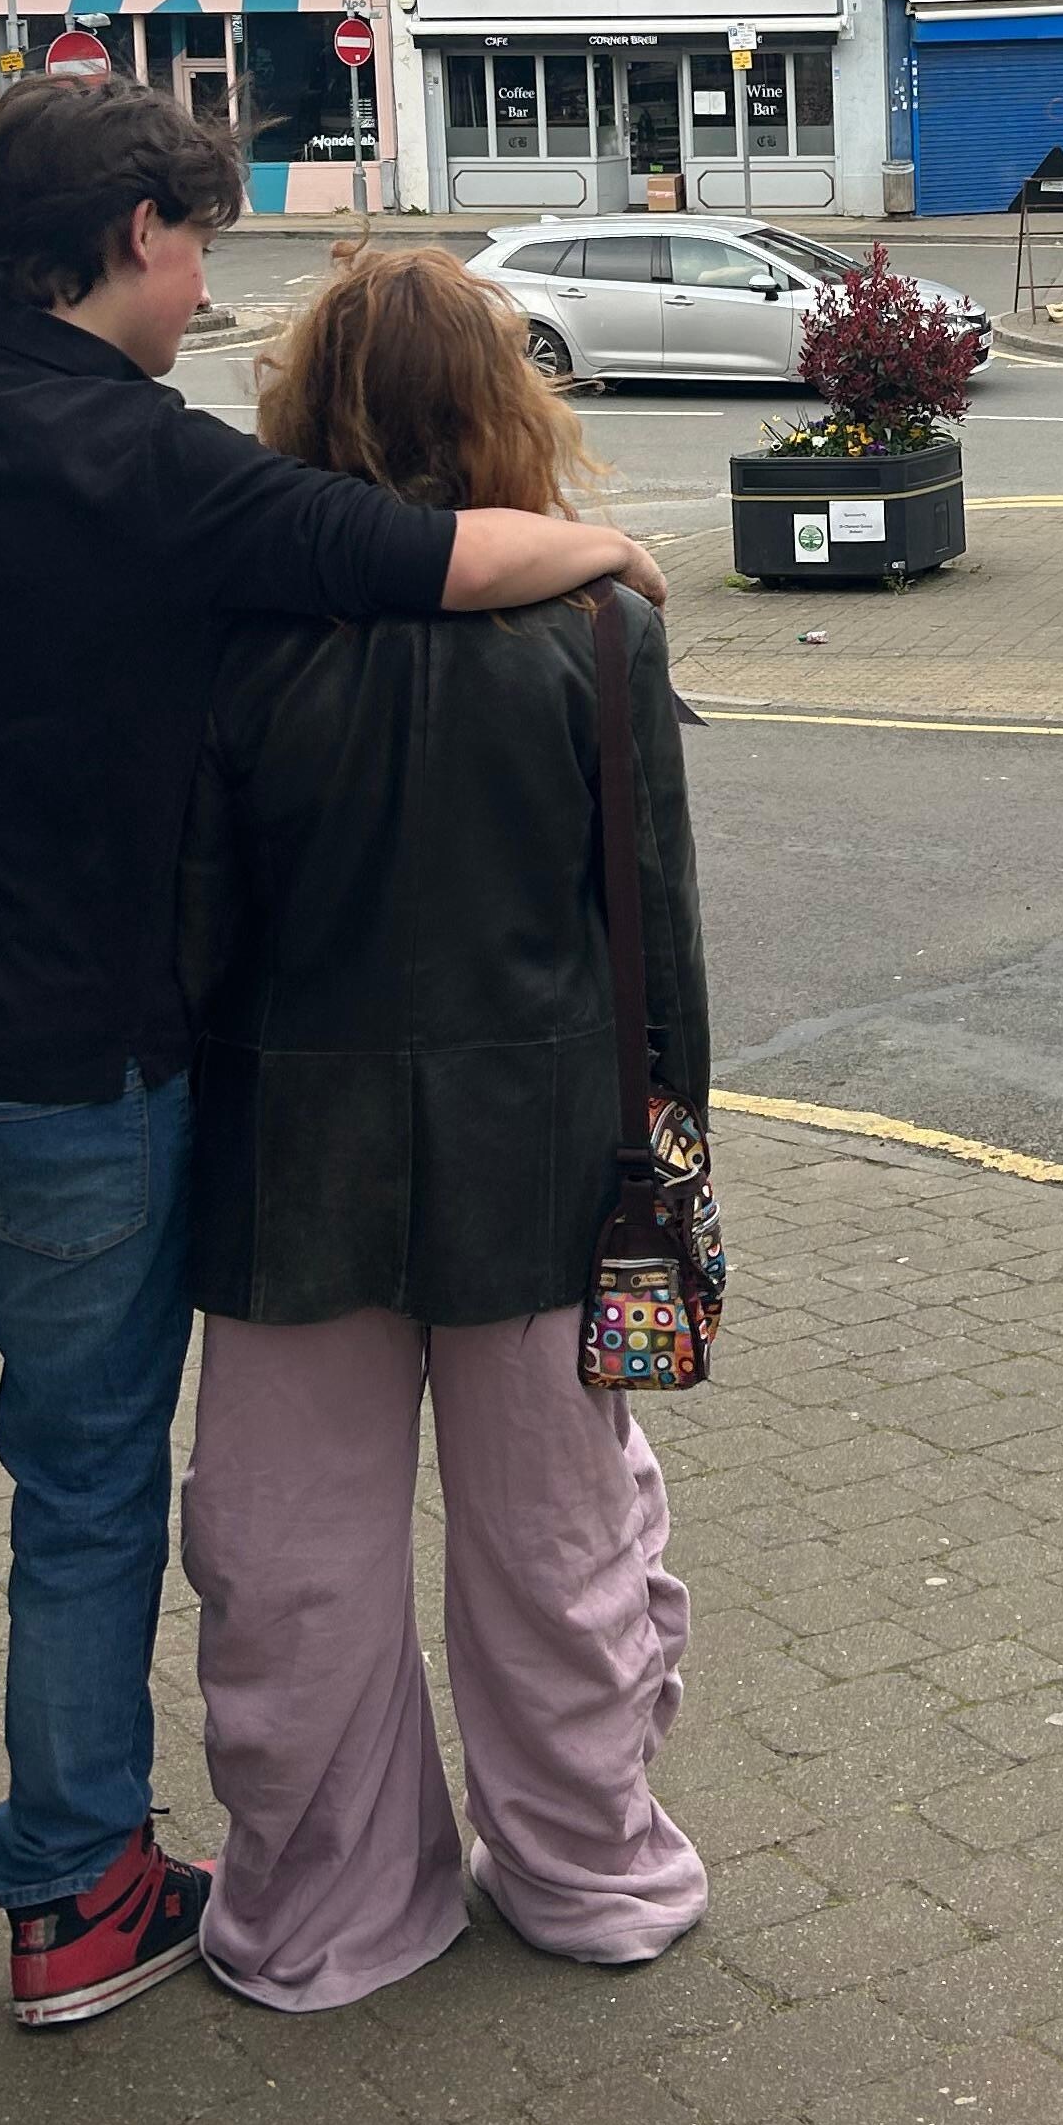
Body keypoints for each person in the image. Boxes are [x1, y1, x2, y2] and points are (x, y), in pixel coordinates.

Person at [0, 80, 665, 2030]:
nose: (205, 276)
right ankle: (72, 1904)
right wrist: (614, 551)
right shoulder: (163, 469)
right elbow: (436, 564)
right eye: (198, 237)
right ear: (139, 234)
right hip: (78, 1091)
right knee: (82, 1496)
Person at [174, 245, 712, 2009]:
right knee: (562, 1547)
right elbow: (649, 922)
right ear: (503, 402)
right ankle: (584, 1871)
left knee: (290, 1567)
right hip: (546, 1163)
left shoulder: (234, 630)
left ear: (299, 403)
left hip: (283, 1165)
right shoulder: (595, 623)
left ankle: (332, 1909)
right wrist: (671, 1154)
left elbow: (188, 933)